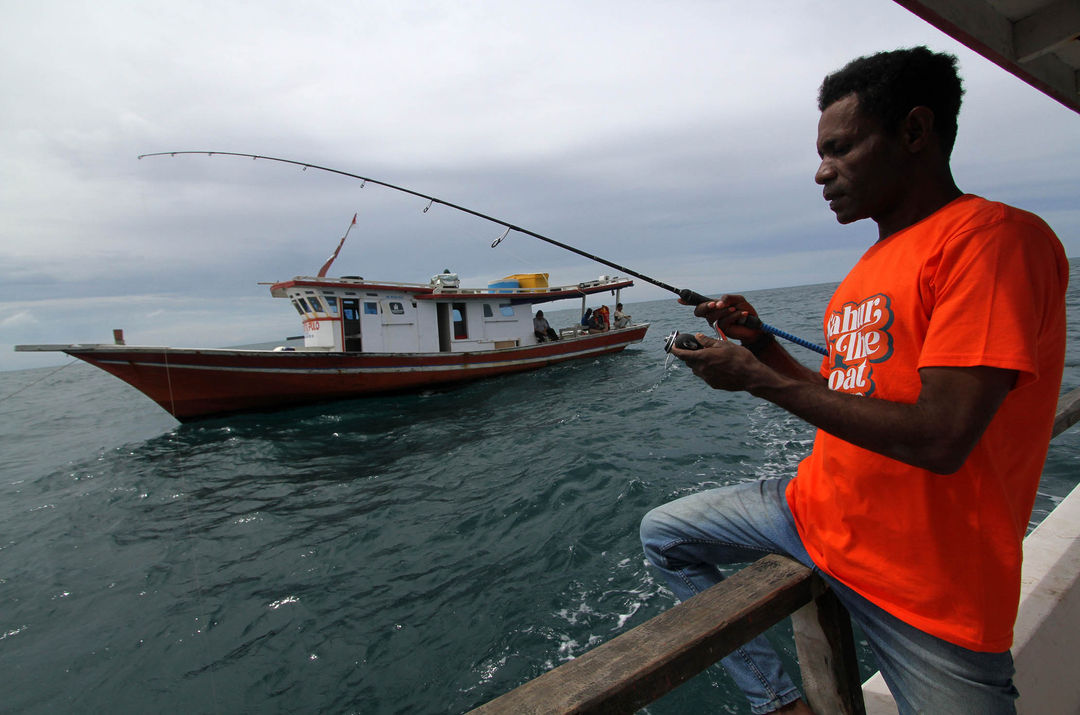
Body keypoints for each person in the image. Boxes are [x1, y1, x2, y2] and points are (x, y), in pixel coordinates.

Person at [640, 46, 1067, 715]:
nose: (821, 172)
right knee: (663, 534)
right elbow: (848, 400)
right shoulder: (866, 270)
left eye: (839, 149)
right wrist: (764, 346)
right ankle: (781, 703)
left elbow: (942, 436)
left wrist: (757, 380)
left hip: (930, 592)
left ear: (915, 132)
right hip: (816, 517)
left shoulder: (990, 241)